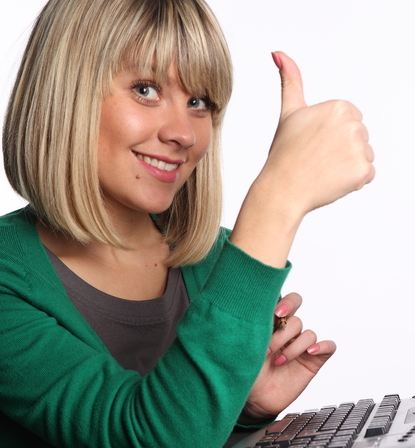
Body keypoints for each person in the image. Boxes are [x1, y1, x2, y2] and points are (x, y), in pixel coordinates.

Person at [0, 0, 374, 446]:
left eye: (198, 102)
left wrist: (242, 411)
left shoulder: (215, 259)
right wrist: (277, 199)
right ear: (63, 93)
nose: (184, 133)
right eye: (145, 90)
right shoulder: (9, 277)